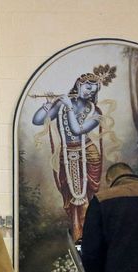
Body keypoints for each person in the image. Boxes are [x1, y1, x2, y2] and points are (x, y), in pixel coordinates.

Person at [32, 65, 117, 242]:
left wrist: (69, 107)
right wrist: (48, 106)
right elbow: (37, 121)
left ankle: (89, 238)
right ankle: (77, 234)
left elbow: (77, 130)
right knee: (70, 198)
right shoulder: (62, 105)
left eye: (92, 91)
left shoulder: (96, 112)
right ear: (78, 85)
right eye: (87, 88)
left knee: (87, 197)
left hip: (88, 155)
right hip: (67, 154)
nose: (88, 93)